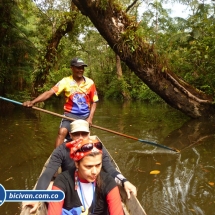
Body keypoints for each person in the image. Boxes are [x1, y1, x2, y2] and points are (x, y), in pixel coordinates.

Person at [22, 119, 137, 213]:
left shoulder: (96, 150)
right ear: (70, 135)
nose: (81, 137)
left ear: (89, 134)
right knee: (51, 187)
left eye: (84, 134)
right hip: (69, 185)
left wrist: (124, 181)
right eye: (76, 134)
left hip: (93, 184)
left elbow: (110, 169)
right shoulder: (61, 150)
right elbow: (48, 173)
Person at [23, 57, 98, 147]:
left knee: (81, 137)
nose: (81, 70)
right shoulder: (65, 81)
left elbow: (95, 101)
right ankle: (56, 157)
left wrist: (90, 118)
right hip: (69, 114)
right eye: (78, 67)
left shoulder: (90, 83)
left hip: (85, 116)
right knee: (62, 132)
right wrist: (33, 102)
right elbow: (49, 92)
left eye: (82, 68)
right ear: (72, 68)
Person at [48, 138, 124, 215]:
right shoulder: (62, 181)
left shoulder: (108, 182)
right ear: (77, 164)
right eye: (88, 166)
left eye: (98, 165)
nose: (95, 172)